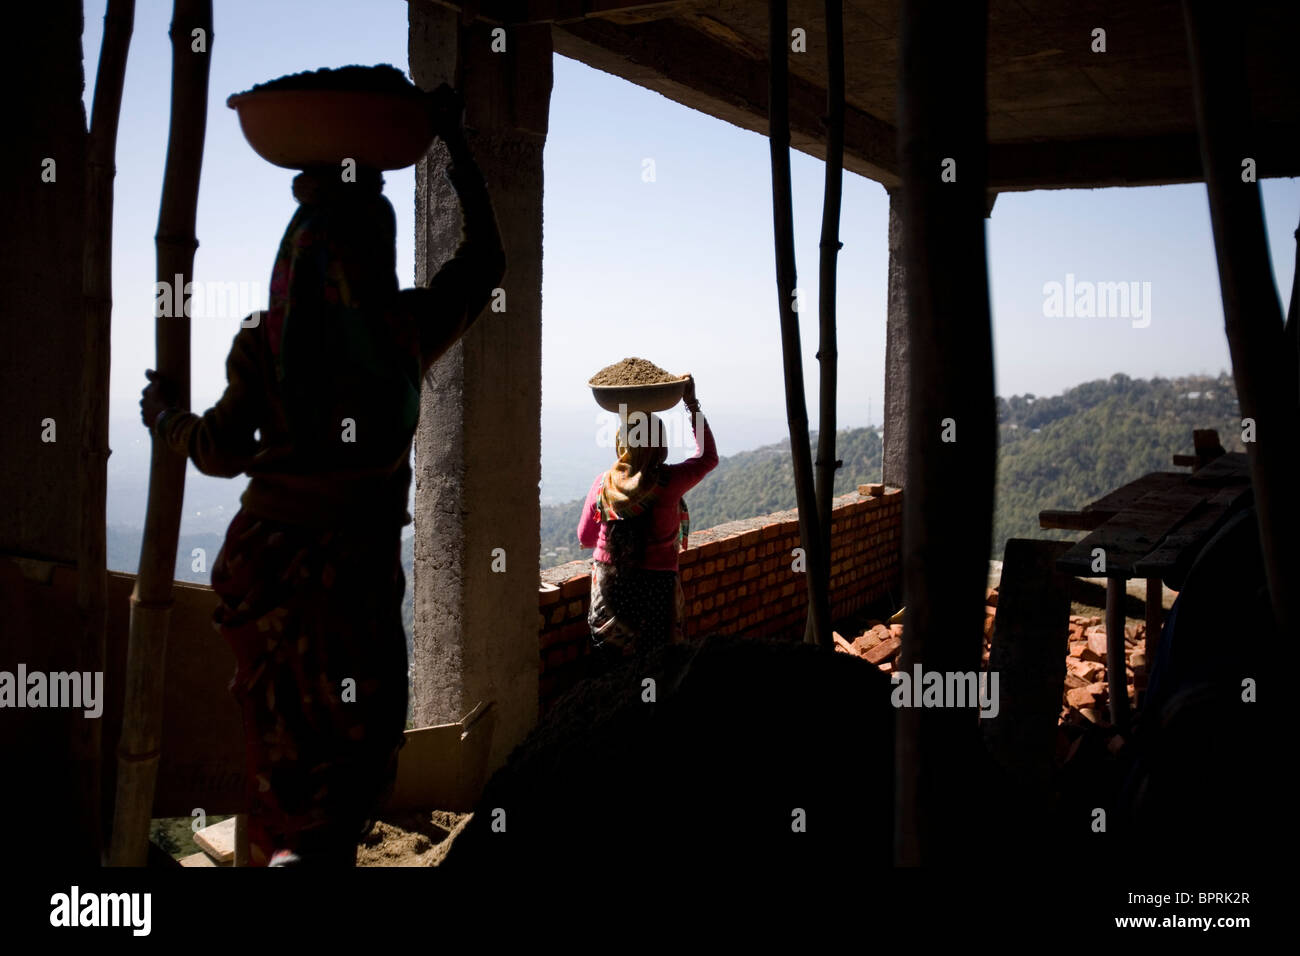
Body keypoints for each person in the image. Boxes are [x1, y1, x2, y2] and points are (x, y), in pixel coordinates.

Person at [139, 85, 504, 867]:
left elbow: (214, 450)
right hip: (356, 585)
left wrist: (163, 415)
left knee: (279, 781)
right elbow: (486, 261)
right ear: (378, 243)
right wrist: (452, 144)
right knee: (347, 774)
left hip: (270, 578)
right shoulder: (403, 331)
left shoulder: (266, 344)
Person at [577, 376, 718, 661]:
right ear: (659, 444)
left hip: (611, 592)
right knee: (656, 663)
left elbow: (584, 538)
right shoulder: (668, 483)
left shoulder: (603, 485)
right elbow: (707, 458)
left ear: (622, 443)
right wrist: (691, 404)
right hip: (657, 589)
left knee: (613, 668)